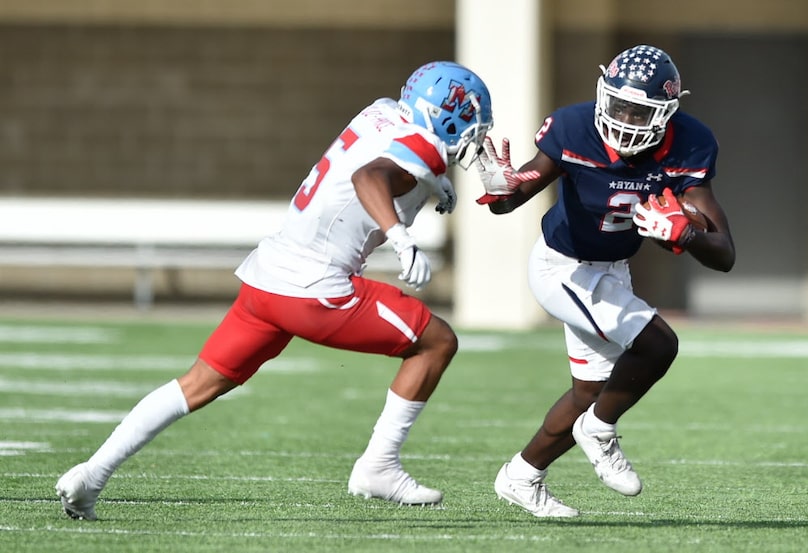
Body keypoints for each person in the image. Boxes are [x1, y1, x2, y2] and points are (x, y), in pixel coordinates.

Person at [55, 60, 495, 520]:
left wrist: (436, 182)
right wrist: (403, 238)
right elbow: (371, 177)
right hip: (315, 288)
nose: (473, 135)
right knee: (437, 342)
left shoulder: (381, 111)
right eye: (471, 120)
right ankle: (378, 466)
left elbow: (379, 161)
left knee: (198, 384)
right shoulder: (422, 146)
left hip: (268, 277)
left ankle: (92, 473)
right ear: (446, 114)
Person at [474, 44, 735, 517]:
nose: (626, 119)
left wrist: (688, 232)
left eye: (641, 111)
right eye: (619, 105)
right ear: (602, 94)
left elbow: (724, 253)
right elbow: (516, 195)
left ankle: (522, 476)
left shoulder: (691, 144)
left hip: (612, 270)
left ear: (667, 115)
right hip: (563, 267)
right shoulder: (574, 128)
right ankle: (599, 430)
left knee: (590, 393)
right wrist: (501, 191)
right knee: (658, 346)